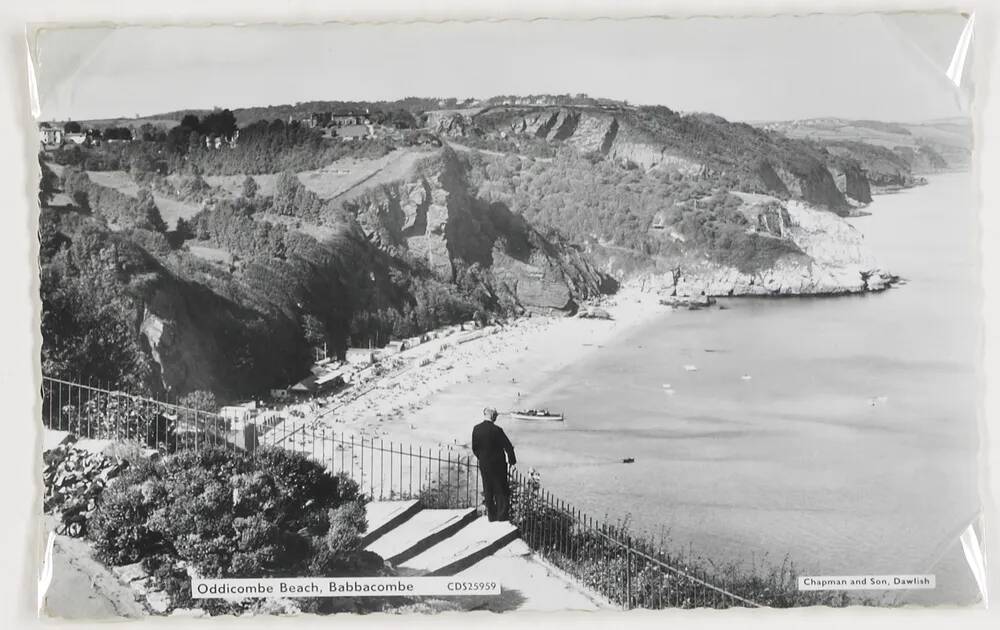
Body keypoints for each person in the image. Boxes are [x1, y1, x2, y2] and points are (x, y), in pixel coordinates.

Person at [471, 407, 517, 522]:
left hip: (484, 464)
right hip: (498, 465)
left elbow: (475, 448)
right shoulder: (497, 430)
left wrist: (481, 458)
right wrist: (512, 461)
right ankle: (502, 516)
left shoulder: (476, 429)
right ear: (493, 416)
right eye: (496, 416)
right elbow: (508, 447)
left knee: (488, 489)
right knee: (501, 490)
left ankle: (491, 516)